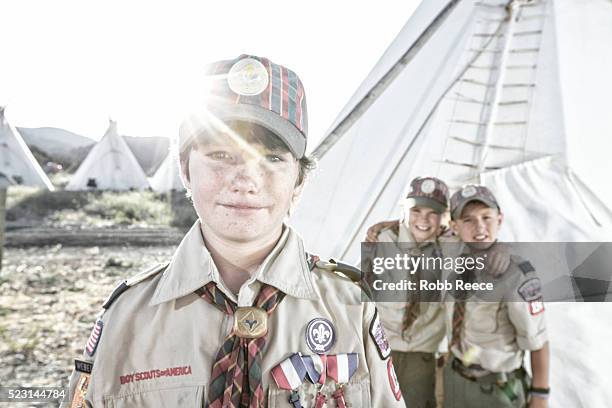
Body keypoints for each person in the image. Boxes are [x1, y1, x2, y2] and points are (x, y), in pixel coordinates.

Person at [62, 55, 405, 408]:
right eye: (221, 155)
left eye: (272, 158)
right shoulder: (128, 316)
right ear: (185, 170)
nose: (246, 180)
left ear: (300, 180)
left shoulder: (349, 307)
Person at [444, 184, 550, 408]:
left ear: (500, 220)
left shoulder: (516, 274)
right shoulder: (451, 254)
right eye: (468, 220)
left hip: (497, 390)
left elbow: (537, 340)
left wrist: (540, 396)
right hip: (454, 380)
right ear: (454, 226)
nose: (479, 226)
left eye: (486, 217)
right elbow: (420, 226)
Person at [364, 176, 452, 408]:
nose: (423, 219)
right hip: (381, 349)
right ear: (404, 209)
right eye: (416, 210)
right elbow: (362, 295)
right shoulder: (382, 240)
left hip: (421, 356)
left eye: (432, 213)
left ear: (444, 217)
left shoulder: (449, 248)